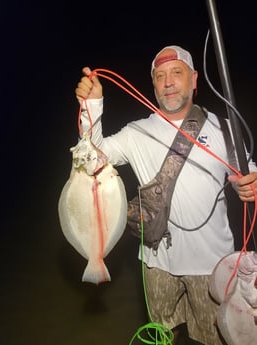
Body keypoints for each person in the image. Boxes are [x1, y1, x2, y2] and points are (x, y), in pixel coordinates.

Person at [75, 45, 257, 345]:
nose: (168, 82)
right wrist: (93, 106)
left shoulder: (224, 128)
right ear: (154, 84)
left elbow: (246, 170)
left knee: (213, 338)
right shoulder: (137, 132)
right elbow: (90, 157)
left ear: (195, 79)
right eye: (160, 76)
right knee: (162, 337)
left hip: (212, 264)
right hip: (157, 262)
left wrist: (249, 183)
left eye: (176, 73)